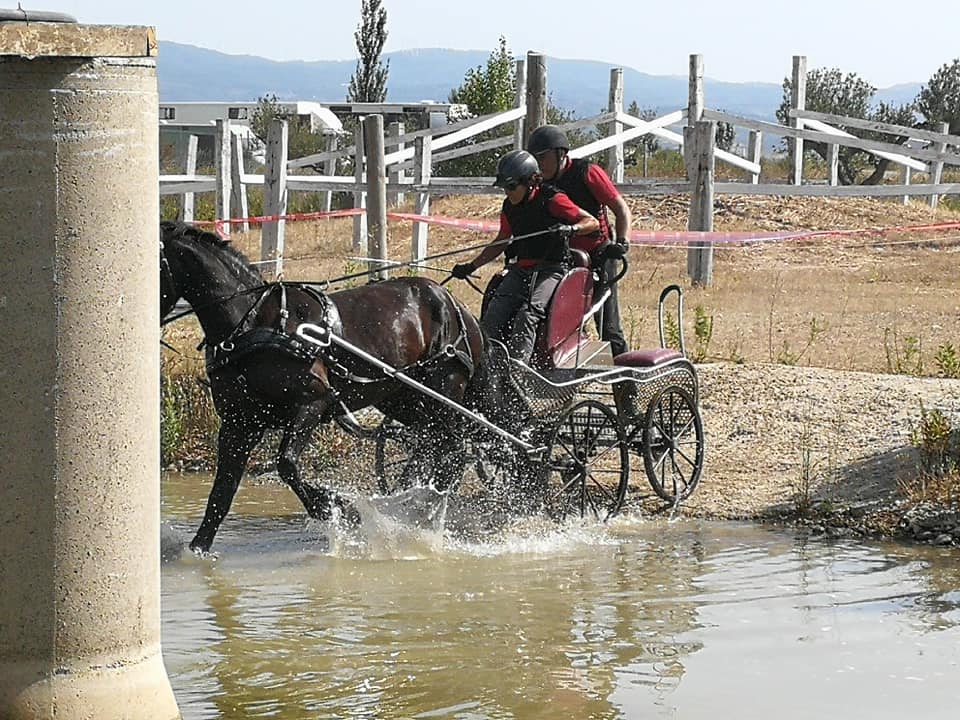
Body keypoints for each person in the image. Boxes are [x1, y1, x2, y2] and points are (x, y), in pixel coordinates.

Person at [451, 149, 599, 364]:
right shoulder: (509, 207)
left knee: (528, 314)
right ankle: (487, 367)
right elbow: (501, 241)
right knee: (493, 314)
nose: (508, 193)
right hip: (521, 270)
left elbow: (591, 222)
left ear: (531, 182)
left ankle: (518, 371)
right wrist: (471, 266)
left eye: (511, 186)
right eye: (504, 188)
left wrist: (572, 229)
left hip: (552, 270)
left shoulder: (553, 199)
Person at [527, 124, 633, 357]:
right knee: (559, 323)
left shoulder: (588, 172)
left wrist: (622, 242)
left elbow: (621, 209)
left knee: (607, 324)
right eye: (536, 158)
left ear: (561, 154)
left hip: (599, 254)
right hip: (562, 258)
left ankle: (625, 387)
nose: (540, 163)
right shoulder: (539, 182)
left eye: (543, 157)